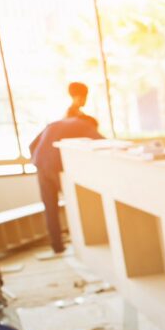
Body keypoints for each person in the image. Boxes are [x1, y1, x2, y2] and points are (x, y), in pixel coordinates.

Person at [29, 106, 103, 254]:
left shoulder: (55, 124)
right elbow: (102, 142)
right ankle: (82, 245)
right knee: (75, 204)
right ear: (91, 123)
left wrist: (41, 161)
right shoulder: (83, 124)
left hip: (40, 164)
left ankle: (57, 246)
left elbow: (32, 145)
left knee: (50, 207)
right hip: (57, 166)